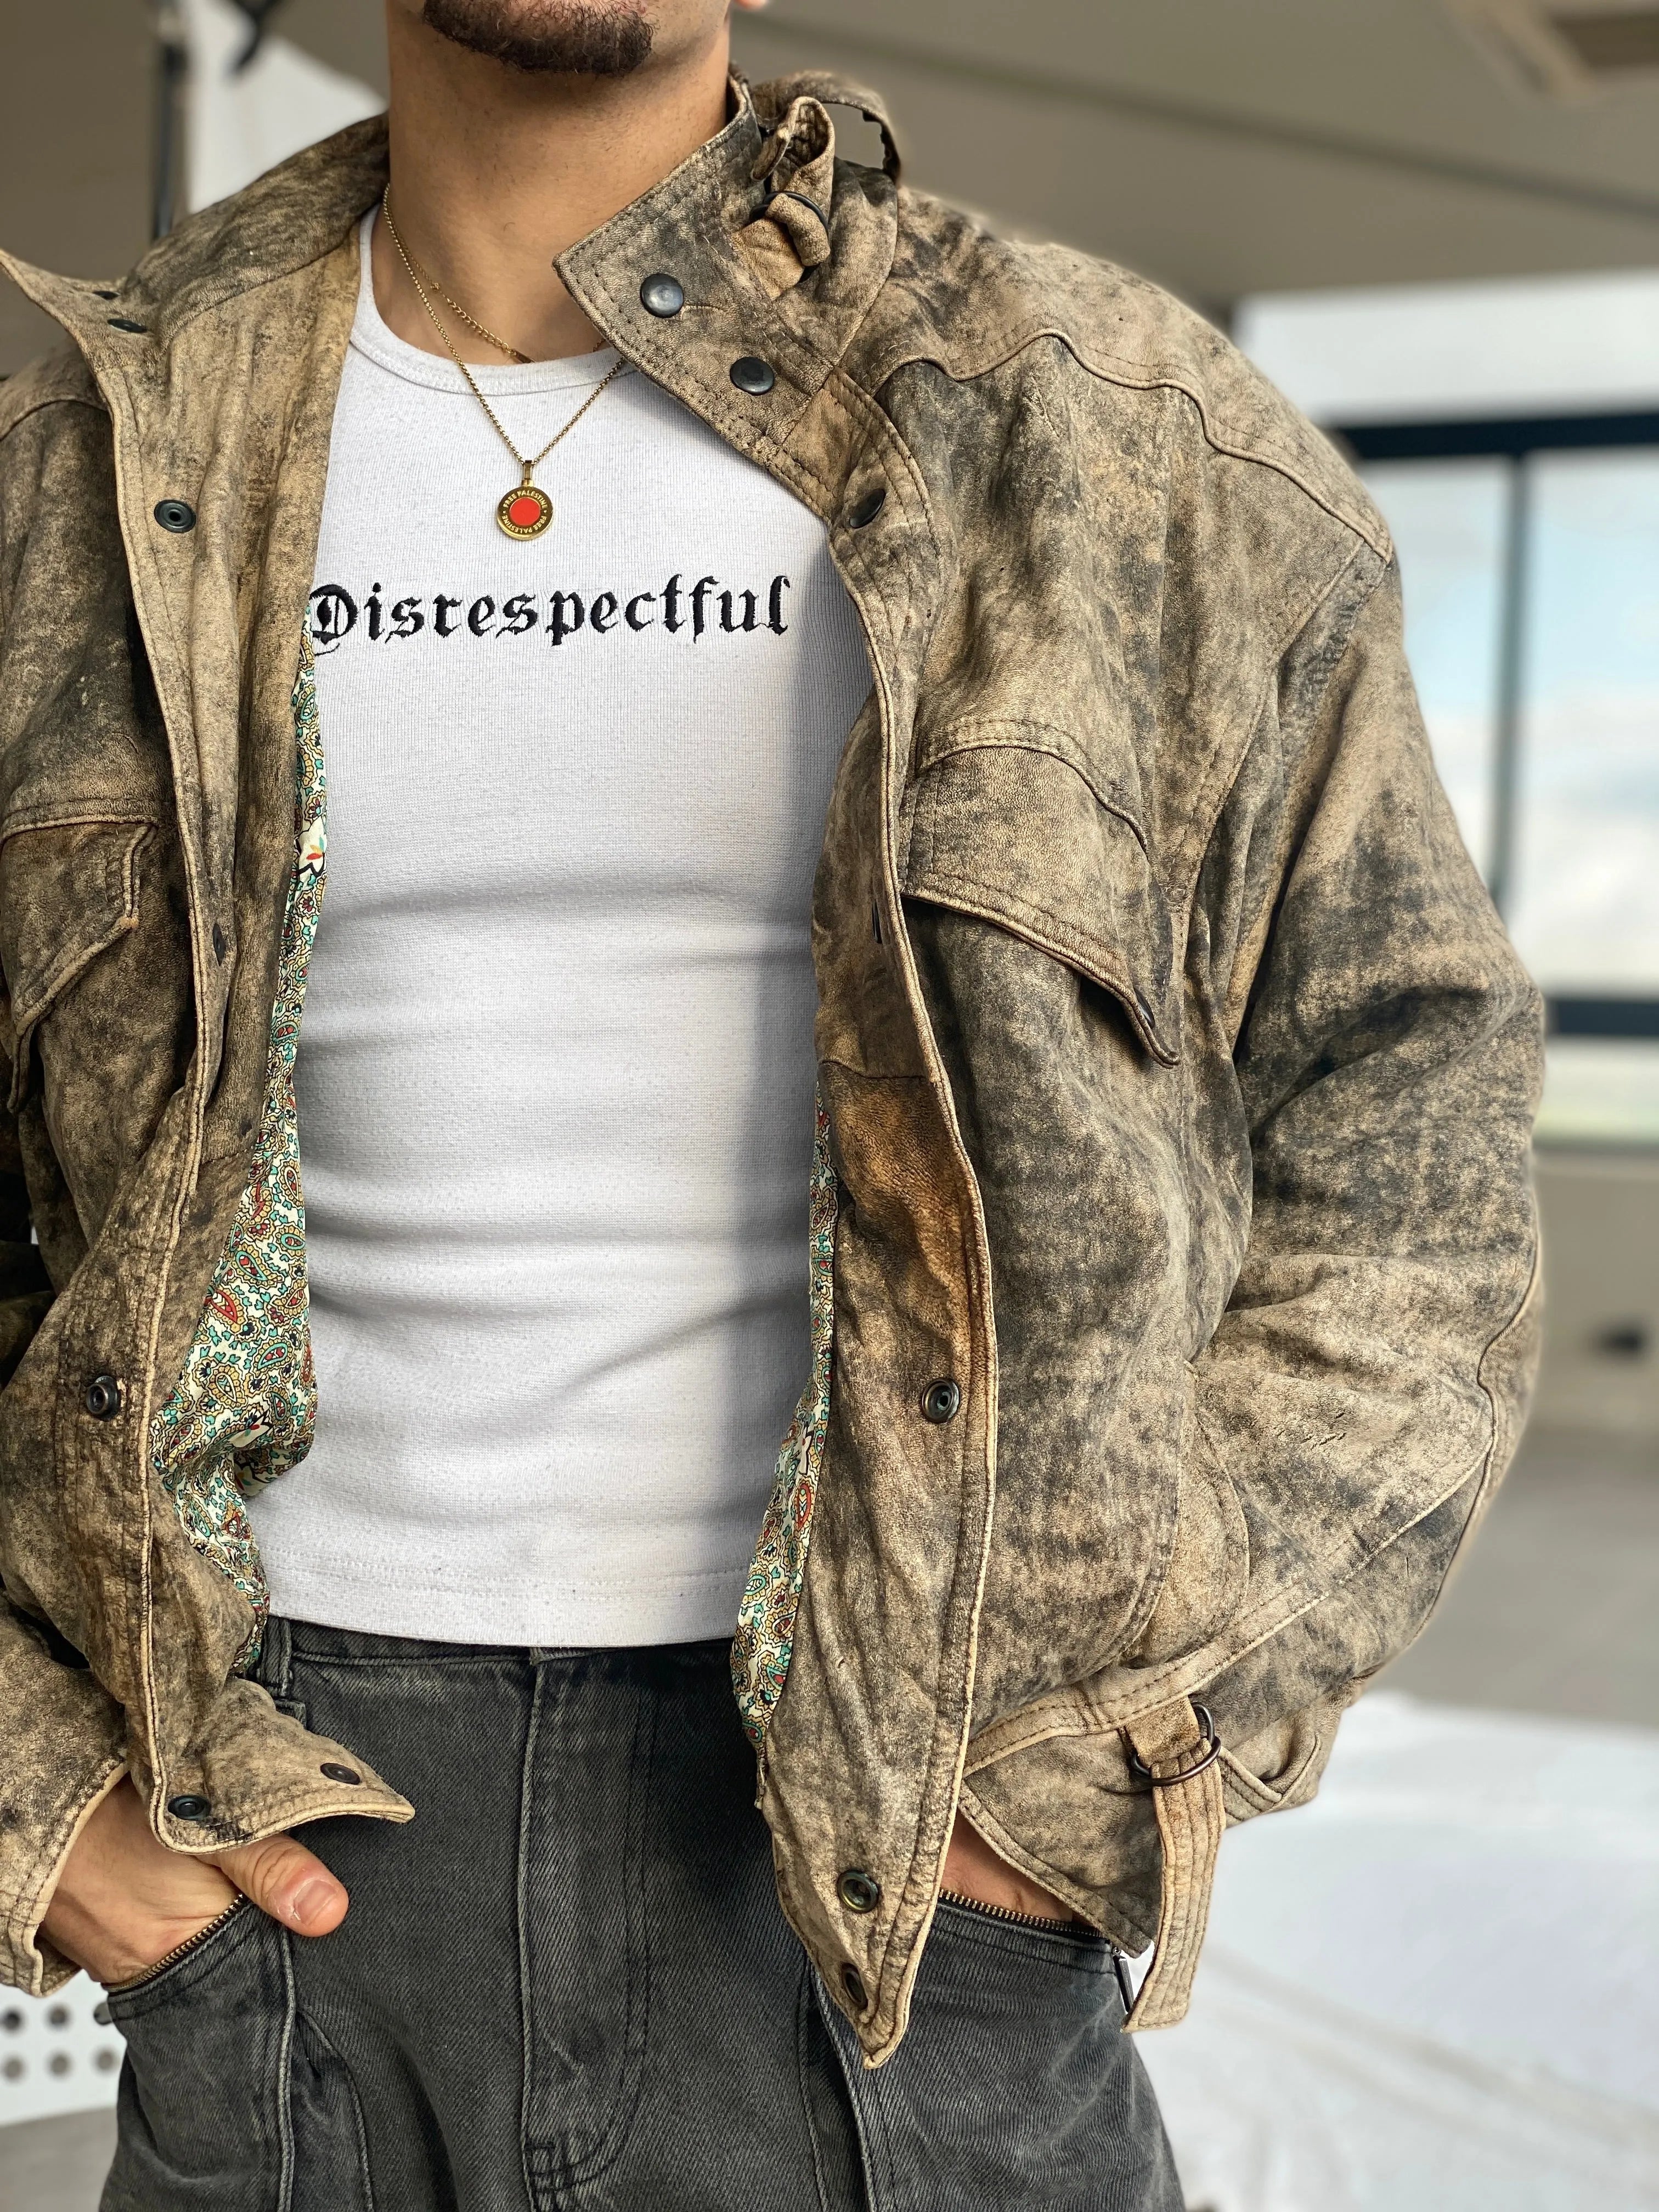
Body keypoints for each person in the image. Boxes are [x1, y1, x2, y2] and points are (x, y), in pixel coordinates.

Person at [0, 1, 1542, 2204]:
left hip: (910, 1868)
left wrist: (1124, 1744)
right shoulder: (71, 480)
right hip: (287, 1855)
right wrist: (35, 1781)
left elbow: (1416, 1136)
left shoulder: (1115, 445)